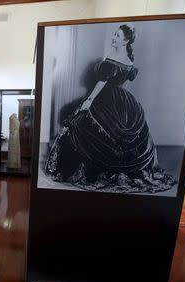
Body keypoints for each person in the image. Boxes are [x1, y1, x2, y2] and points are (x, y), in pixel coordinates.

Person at [44, 24, 176, 193]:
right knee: (120, 136)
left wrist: (89, 101)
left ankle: (86, 169)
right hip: (124, 100)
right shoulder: (129, 59)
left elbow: (102, 83)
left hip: (105, 97)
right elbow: (122, 82)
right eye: (114, 34)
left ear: (126, 41)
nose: (114, 38)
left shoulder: (113, 55)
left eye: (117, 36)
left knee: (81, 124)